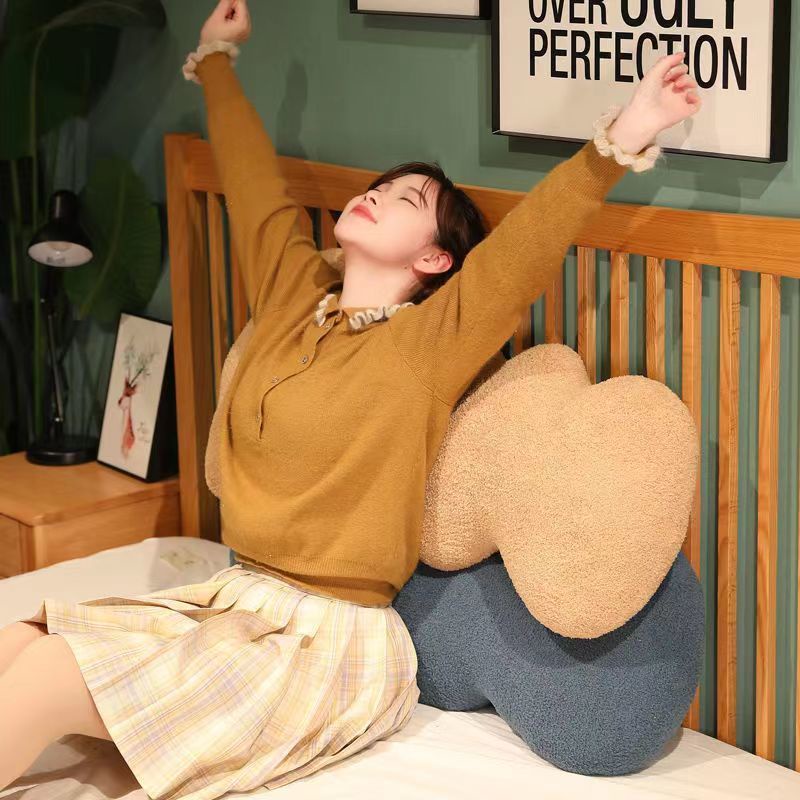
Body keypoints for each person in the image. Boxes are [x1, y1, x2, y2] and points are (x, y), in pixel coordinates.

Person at [0, 2, 701, 798]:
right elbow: (254, 186)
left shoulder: (426, 345)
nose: (375, 195)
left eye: (405, 201)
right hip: (234, 601)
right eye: (379, 187)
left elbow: (526, 248)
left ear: (436, 260)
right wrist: (216, 60)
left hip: (325, 642)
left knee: (50, 671)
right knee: (19, 642)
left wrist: (623, 136)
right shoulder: (292, 296)